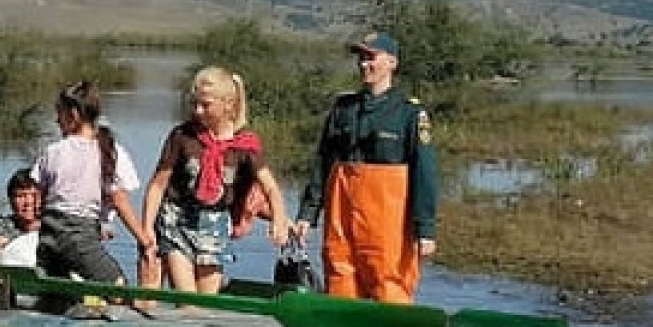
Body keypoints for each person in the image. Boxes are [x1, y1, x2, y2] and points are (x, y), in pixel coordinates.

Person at [292, 32, 439, 304]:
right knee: (339, 272)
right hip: (341, 210)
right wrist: (307, 214)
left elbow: (424, 175)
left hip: (388, 218)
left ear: (392, 62)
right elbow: (323, 161)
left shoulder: (409, 114)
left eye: (371, 57)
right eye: (361, 58)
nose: (363, 64)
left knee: (389, 280)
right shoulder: (343, 108)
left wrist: (425, 230)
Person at [141, 67, 291, 293]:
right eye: (195, 104)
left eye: (206, 105)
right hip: (176, 219)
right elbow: (158, 184)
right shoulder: (182, 137)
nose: (198, 111)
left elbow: (270, 187)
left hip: (215, 225)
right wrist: (147, 229)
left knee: (206, 303)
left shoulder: (244, 146)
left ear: (228, 104)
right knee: (187, 299)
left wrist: (279, 220)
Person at [32, 81, 154, 285]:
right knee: (117, 287)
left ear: (73, 115)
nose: (56, 120)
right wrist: (145, 240)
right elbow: (120, 201)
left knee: (55, 295)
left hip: (48, 235)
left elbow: (42, 196)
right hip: (79, 235)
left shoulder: (52, 151)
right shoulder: (109, 152)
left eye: (59, 114)